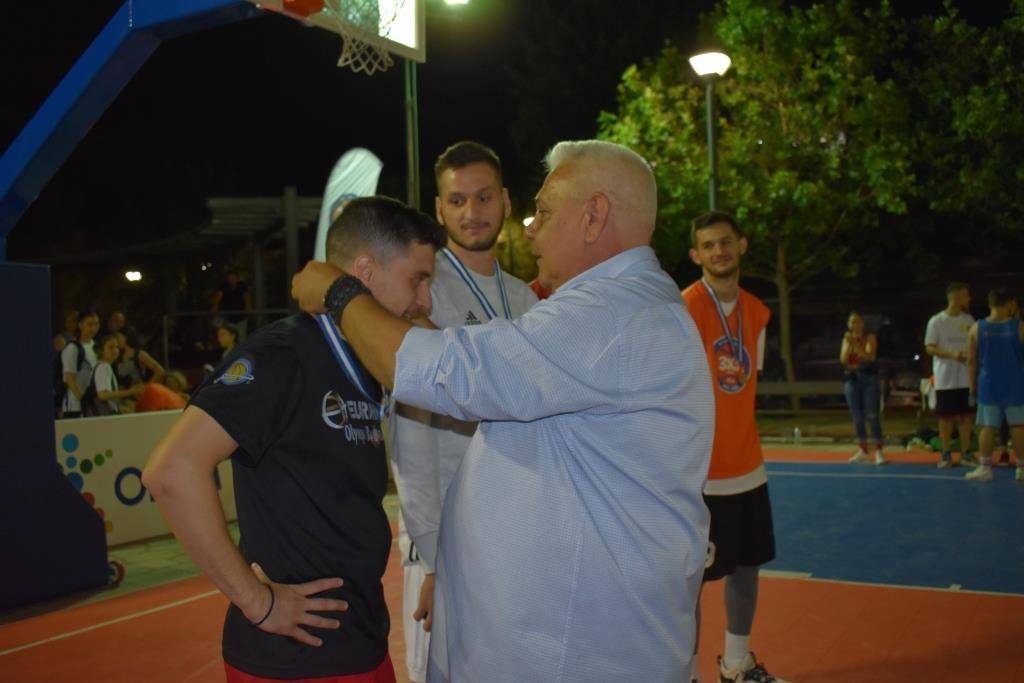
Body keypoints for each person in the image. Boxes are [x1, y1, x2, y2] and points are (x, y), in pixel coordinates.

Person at [292, 140, 714, 682]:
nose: (532, 228)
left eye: (546, 211)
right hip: (564, 633)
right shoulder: (621, 308)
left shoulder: (610, 313)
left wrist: (339, 293)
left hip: (575, 648)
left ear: (593, 216)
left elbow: (453, 372)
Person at [143, 197, 445, 683]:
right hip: (294, 660)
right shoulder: (283, 354)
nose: (425, 301)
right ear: (364, 272)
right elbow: (171, 472)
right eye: (418, 280)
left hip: (361, 643)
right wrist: (258, 603)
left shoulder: (366, 366)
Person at [385, 141, 537, 683]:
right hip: (446, 538)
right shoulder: (423, 294)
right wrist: (432, 558)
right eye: (457, 201)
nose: (472, 212)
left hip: (510, 529)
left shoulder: (525, 300)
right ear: (439, 208)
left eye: (484, 197)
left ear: (506, 201)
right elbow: (410, 444)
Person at [681, 211, 788, 683]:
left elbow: (744, 388)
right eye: (708, 245)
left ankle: (737, 666)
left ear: (741, 245)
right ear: (695, 255)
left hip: (749, 468)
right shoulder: (682, 309)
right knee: (688, 584)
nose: (718, 251)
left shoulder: (758, 312)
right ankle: (684, 674)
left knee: (747, 569)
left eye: (725, 242)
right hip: (700, 474)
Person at [965, 288, 1024, 482]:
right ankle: (1022, 469)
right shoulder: (1020, 327)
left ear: (990, 303)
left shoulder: (976, 328)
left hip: (988, 383)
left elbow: (971, 361)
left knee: (988, 427)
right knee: (1018, 426)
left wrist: (972, 385)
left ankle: (985, 468)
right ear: (1010, 303)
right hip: (1015, 383)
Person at [925, 282, 977, 468]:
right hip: (945, 379)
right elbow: (930, 347)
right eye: (966, 295)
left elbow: (975, 345)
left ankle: (966, 454)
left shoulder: (969, 320)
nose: (969, 298)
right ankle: (946, 454)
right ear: (955, 297)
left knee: (966, 416)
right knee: (946, 418)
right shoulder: (936, 321)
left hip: (965, 378)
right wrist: (951, 354)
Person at [840, 312, 886, 464]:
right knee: (857, 417)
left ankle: (878, 450)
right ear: (849, 325)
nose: (855, 325)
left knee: (872, 415)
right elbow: (843, 359)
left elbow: (869, 356)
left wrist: (854, 345)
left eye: (858, 321)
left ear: (862, 323)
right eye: (852, 322)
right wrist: (850, 345)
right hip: (852, 379)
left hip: (868, 379)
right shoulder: (846, 339)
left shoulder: (870, 337)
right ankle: (863, 449)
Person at [59, 309, 100, 418]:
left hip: (92, 404)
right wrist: (83, 401)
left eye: (96, 324)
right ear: (80, 325)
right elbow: (69, 378)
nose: (94, 328)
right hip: (75, 406)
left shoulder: (96, 346)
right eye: (89, 324)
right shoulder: (73, 348)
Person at [90, 333, 144, 415]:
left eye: (117, 347)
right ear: (100, 350)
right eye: (111, 347)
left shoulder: (101, 366)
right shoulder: (104, 367)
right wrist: (131, 391)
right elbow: (103, 395)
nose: (115, 350)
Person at [212, 269, 252, 338]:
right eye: (230, 278)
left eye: (233, 278)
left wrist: (248, 307)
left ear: (237, 278)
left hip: (241, 317)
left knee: (241, 336)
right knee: (228, 335)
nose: (231, 280)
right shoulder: (224, 286)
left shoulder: (242, 286)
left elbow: (247, 297)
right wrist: (215, 307)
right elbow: (218, 297)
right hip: (228, 317)